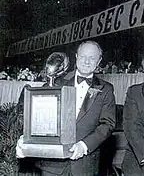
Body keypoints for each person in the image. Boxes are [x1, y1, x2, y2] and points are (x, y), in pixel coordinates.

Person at [16, 41, 116, 176]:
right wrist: (27, 138)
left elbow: (108, 124)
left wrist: (84, 145)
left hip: (85, 165)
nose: (87, 61)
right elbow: (37, 115)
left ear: (99, 61)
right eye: (83, 56)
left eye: (92, 58)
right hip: (52, 165)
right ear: (76, 57)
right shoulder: (56, 82)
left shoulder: (106, 89)